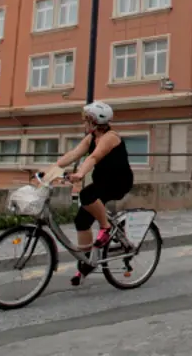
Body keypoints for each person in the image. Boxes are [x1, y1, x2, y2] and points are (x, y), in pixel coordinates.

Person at [53, 100, 135, 286]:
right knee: (81, 220)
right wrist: (50, 169)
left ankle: (105, 227)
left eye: (86, 119)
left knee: (86, 195)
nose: (84, 123)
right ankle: (87, 263)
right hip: (102, 182)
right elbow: (74, 154)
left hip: (118, 182)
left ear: (94, 121)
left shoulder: (111, 137)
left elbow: (94, 157)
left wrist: (81, 173)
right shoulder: (91, 137)